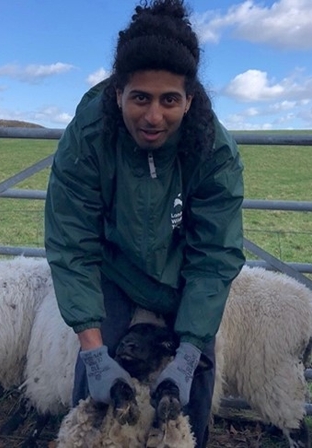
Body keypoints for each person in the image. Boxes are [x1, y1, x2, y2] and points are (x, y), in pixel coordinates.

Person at [44, 1, 245, 446]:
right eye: (140, 98)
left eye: (169, 100)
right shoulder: (90, 135)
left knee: (189, 400)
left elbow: (215, 255)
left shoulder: (213, 151)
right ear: (118, 93)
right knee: (93, 396)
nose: (154, 117)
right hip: (114, 271)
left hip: (183, 280)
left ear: (189, 99)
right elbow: (70, 241)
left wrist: (190, 352)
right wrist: (94, 352)